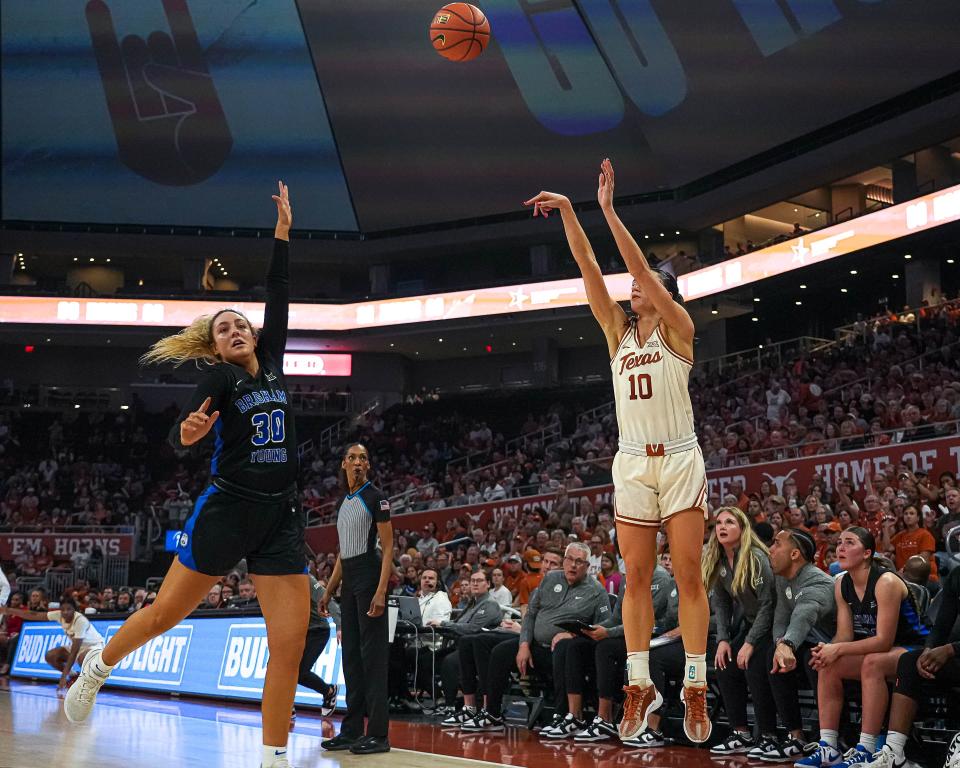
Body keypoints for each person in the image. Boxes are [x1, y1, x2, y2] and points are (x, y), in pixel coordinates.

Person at [63, 183, 308, 768]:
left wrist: (282, 233)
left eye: (239, 324)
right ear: (214, 347)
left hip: (280, 515)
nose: (236, 330)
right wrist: (188, 435)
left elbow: (278, 291)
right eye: (223, 329)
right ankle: (99, 666)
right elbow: (181, 435)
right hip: (228, 509)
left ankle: (273, 758)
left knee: (289, 645)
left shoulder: (269, 360)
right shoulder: (218, 382)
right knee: (166, 614)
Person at [525, 159, 712, 743]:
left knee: (687, 576)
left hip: (679, 456)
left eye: (645, 280)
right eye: (634, 281)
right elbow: (587, 266)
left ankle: (696, 687)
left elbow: (635, 265)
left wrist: (609, 210)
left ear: (663, 291)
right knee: (633, 577)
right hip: (633, 459)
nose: (633, 283)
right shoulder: (617, 332)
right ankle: (639, 682)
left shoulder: (679, 326)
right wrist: (573, 215)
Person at [797, 528, 929, 768]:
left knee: (872, 662)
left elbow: (883, 641)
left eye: (849, 543)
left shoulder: (885, 581)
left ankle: (866, 748)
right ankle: (828, 747)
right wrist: (827, 649)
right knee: (828, 664)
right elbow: (845, 635)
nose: (841, 548)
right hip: (879, 651)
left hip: (915, 649)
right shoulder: (842, 584)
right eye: (839, 543)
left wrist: (838, 649)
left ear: (867, 553)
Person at [457, 543, 610, 733]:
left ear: (587, 566)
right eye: (569, 559)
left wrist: (572, 633)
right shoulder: (550, 579)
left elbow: (603, 628)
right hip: (535, 646)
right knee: (499, 652)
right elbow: (530, 615)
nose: (573, 565)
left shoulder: (597, 591)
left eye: (579, 562)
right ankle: (493, 715)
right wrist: (524, 644)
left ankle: (562, 717)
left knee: (564, 648)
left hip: (566, 651)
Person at [318, 443, 394, 755]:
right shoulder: (344, 502)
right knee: (350, 657)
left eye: (364, 457)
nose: (358, 462)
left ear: (369, 466)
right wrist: (328, 589)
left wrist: (381, 589)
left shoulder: (377, 498)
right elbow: (341, 553)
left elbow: (389, 547)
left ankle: (378, 734)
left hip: (369, 574)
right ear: (343, 464)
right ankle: (351, 730)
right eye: (352, 458)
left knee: (372, 659)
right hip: (349, 579)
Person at [864, 557, 960, 768]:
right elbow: (942, 624)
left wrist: (951, 649)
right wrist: (929, 650)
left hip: (955, 651)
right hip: (953, 654)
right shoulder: (957, 575)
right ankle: (896, 751)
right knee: (908, 661)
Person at [702, 507, 779, 756]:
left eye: (729, 522)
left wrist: (750, 642)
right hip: (750, 626)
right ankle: (741, 733)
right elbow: (722, 604)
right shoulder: (721, 561)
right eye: (718, 523)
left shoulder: (756, 557)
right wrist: (723, 639)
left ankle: (768, 735)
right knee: (725, 663)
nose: (722, 527)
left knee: (754, 663)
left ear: (743, 529)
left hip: (775, 626)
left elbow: (768, 604)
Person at [757, 528, 836, 762]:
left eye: (776, 544)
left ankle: (831, 740)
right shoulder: (784, 580)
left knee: (813, 657)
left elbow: (805, 613)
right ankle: (796, 738)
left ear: (794, 554)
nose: (770, 550)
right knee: (774, 655)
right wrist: (781, 644)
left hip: (836, 648)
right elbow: (781, 617)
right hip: (806, 643)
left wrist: (788, 644)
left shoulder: (818, 580)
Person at [1, 596, 104, 692]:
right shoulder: (59, 615)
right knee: (50, 656)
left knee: (83, 658)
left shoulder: (80, 621)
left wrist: (63, 676)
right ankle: (73, 676)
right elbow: (34, 615)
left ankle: (91, 684)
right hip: (79, 648)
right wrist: (9, 610)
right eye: (63, 609)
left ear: (75, 610)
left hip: (94, 647)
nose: (65, 612)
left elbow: (74, 652)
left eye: (69, 609)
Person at [290, 574, 340, 728]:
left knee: (301, 672)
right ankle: (287, 705)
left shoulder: (306, 579)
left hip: (317, 631)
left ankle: (329, 691)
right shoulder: (275, 579)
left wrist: (339, 625)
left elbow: (329, 600)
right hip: (296, 631)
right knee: (277, 667)